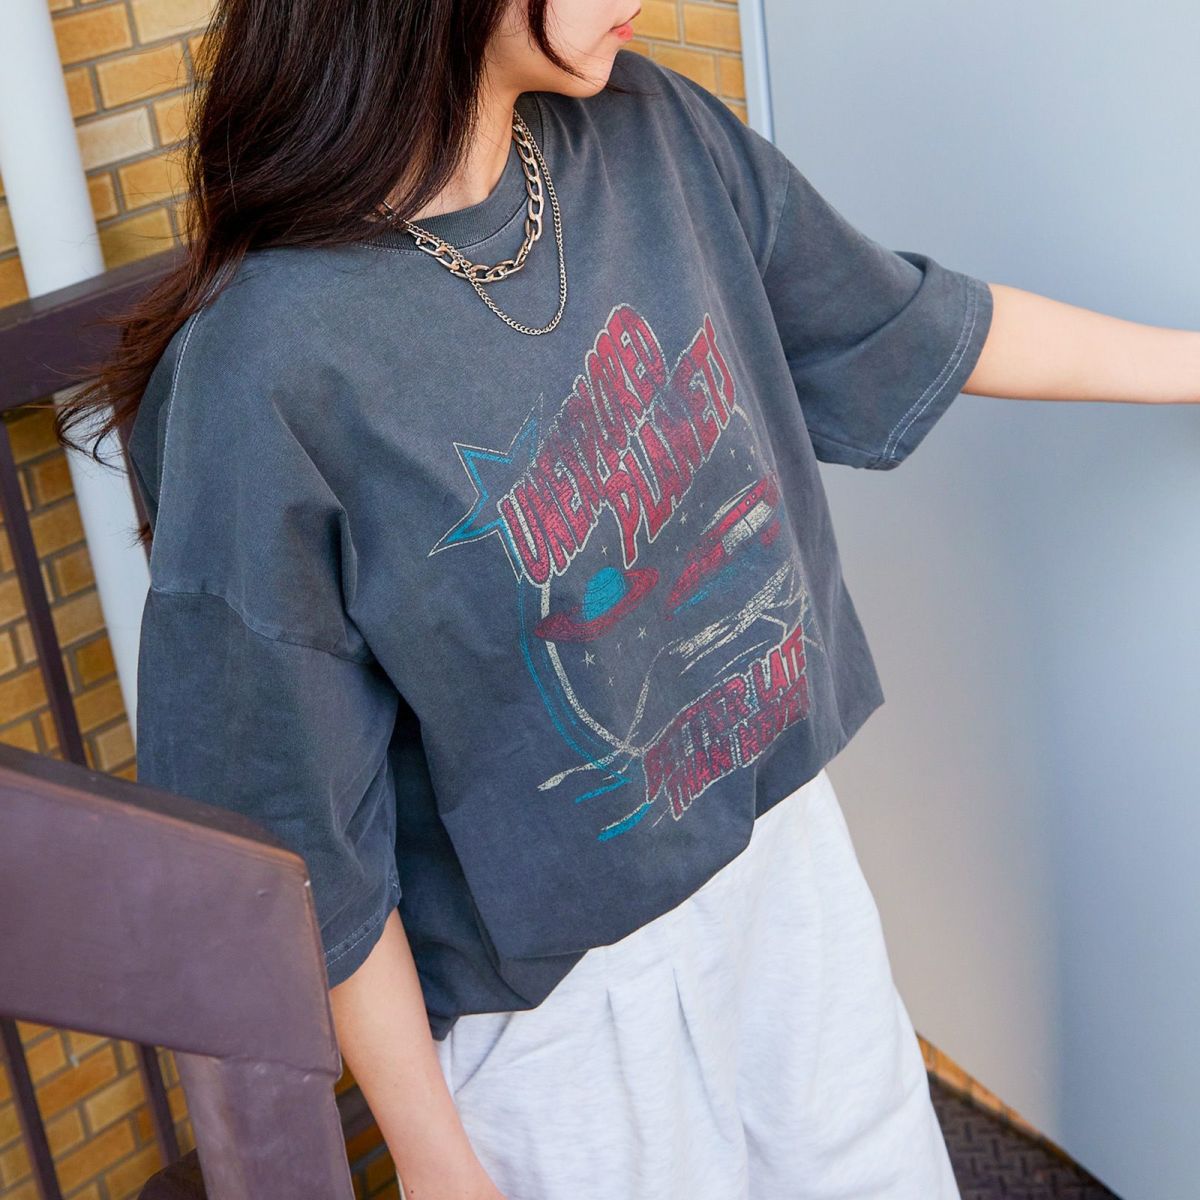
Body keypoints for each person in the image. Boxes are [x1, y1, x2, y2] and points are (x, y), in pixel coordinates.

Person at [55, 2, 1199, 1197]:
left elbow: (903, 322)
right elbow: (299, 832)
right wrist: (433, 1155)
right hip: (565, 1017)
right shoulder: (267, 367)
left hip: (783, 869)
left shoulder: (654, 135)